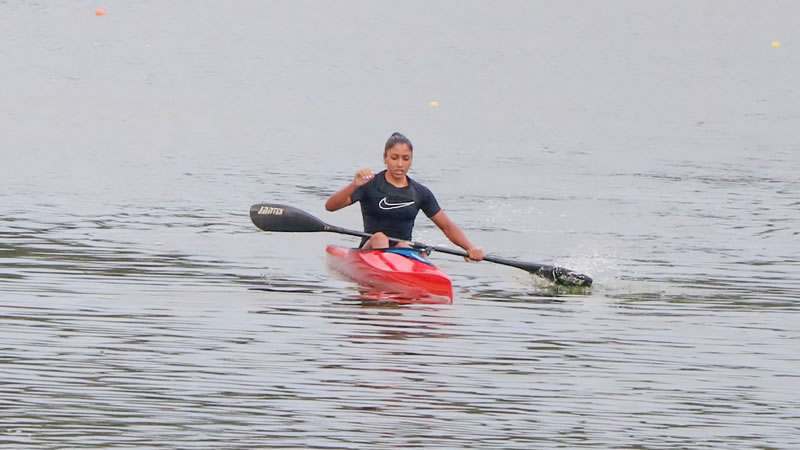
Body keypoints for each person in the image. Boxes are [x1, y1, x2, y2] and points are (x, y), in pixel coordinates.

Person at [325, 132, 484, 261]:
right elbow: (331, 206)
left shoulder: (420, 193)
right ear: (385, 158)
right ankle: (387, 267)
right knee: (380, 237)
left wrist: (470, 248)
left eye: (405, 159)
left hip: (401, 252)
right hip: (370, 251)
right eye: (394, 158)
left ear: (411, 160)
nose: (400, 164)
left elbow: (447, 227)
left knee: (403, 246)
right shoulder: (370, 185)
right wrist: (354, 185)